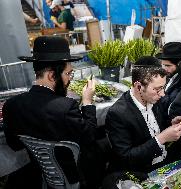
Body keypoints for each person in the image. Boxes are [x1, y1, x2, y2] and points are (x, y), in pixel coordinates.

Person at [2, 36, 106, 189]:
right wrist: (88, 102)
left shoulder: (11, 105)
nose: (69, 79)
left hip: (41, 173)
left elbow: (15, 145)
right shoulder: (66, 107)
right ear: (51, 75)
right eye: (68, 74)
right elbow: (90, 137)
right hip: (76, 175)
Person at [103, 56, 181, 188]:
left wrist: (172, 123)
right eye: (157, 89)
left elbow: (157, 125)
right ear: (138, 87)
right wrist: (161, 139)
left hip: (162, 164)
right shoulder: (118, 113)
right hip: (139, 174)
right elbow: (126, 158)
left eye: (163, 88)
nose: (162, 94)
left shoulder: (156, 100)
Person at [156, 42, 181, 122]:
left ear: (179, 64)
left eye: (168, 66)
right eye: (163, 65)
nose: (165, 69)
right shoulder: (168, 77)